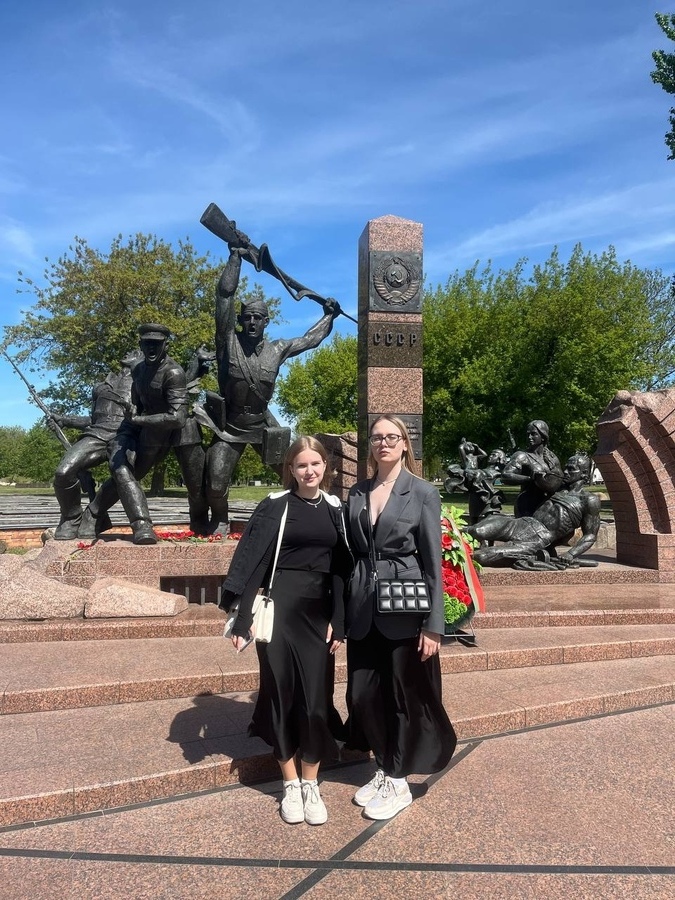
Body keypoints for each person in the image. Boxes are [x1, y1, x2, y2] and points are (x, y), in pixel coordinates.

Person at [219, 436, 352, 826]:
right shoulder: (276, 505)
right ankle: (290, 783)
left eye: (315, 464)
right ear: (290, 469)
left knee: (315, 701)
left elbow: (341, 570)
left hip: (319, 616)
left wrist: (340, 621)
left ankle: (311, 781)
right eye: (301, 465)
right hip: (278, 613)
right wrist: (242, 618)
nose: (309, 471)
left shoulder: (335, 509)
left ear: (326, 467)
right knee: (280, 694)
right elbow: (255, 562)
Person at [344, 415, 457, 821]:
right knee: (362, 695)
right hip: (363, 606)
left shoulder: (422, 492)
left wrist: (434, 624)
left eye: (392, 437)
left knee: (402, 697)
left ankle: (397, 777)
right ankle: (383, 763)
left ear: (405, 444)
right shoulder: (358, 492)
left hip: (405, 607)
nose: (384, 443)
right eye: (377, 437)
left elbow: (432, 561)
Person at [197, 243, 340, 534]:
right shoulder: (227, 342)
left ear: (266, 321)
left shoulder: (277, 349)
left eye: (257, 317)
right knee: (215, 484)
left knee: (298, 474)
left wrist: (329, 316)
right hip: (230, 427)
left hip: (263, 426)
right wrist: (235, 258)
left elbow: (309, 340)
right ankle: (220, 518)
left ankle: (304, 517)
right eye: (247, 317)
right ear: (240, 320)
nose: (251, 322)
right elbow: (224, 296)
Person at [78, 324, 187, 544]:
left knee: (128, 473)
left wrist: (137, 420)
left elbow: (178, 418)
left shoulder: (174, 373)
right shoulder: (137, 370)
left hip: (164, 434)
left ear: (165, 346)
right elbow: (137, 405)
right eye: (147, 343)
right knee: (122, 469)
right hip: (140, 430)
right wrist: (130, 421)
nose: (151, 348)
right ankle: (136, 525)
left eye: (156, 344)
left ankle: (94, 512)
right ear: (141, 345)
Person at [52, 349, 141, 540]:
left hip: (124, 435)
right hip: (96, 434)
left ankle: (137, 525)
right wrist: (64, 420)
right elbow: (93, 419)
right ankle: (72, 518)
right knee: (63, 473)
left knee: (122, 474)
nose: (130, 351)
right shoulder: (101, 386)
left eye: (136, 351)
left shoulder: (143, 384)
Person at [464, 452, 602, 568]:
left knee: (481, 556)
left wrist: (571, 554)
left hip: (538, 539)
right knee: (476, 530)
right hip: (521, 523)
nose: (565, 472)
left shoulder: (589, 500)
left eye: (571, 469)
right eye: (566, 468)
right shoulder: (556, 487)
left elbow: (590, 535)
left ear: (584, 474)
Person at [501, 419, 563, 517]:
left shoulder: (552, 457)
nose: (529, 437)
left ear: (543, 437)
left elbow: (559, 479)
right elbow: (505, 475)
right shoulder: (521, 456)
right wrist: (530, 478)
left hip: (547, 505)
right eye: (528, 434)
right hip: (527, 506)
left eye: (533, 434)